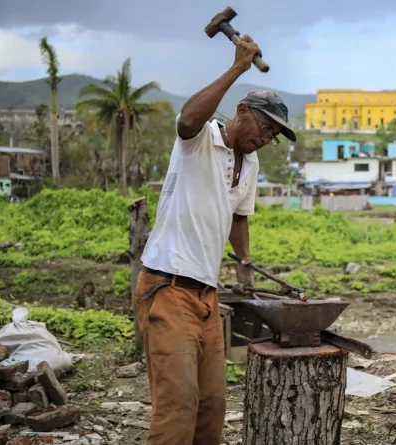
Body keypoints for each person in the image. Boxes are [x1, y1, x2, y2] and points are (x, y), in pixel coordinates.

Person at [134, 35, 296, 445]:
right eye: (265, 127)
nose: (267, 139)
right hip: (168, 287)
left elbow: (239, 216)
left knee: (211, 406)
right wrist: (238, 66)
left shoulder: (251, 162)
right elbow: (186, 119)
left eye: (274, 135)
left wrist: (244, 262)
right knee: (178, 404)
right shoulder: (200, 139)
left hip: (206, 295)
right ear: (242, 111)